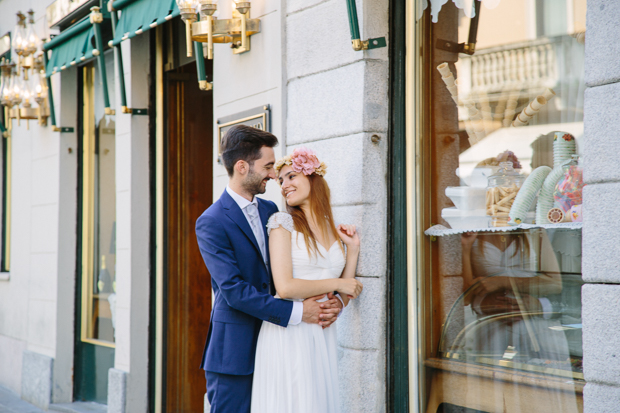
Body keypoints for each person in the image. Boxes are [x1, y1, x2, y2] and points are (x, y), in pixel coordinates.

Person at [195, 126, 344, 412]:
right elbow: (234, 291)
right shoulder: (211, 221)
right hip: (236, 350)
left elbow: (296, 265)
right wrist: (300, 312)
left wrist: (333, 298)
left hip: (281, 345)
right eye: (267, 167)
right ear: (242, 167)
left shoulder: (271, 210)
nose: (274, 175)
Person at [251, 148, 364, 413]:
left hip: (321, 333)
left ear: (313, 177)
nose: (284, 186)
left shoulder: (331, 225)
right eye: (280, 181)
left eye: (291, 176)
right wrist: (337, 286)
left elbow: (342, 298)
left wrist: (353, 249)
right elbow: (286, 287)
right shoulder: (282, 222)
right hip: (290, 331)